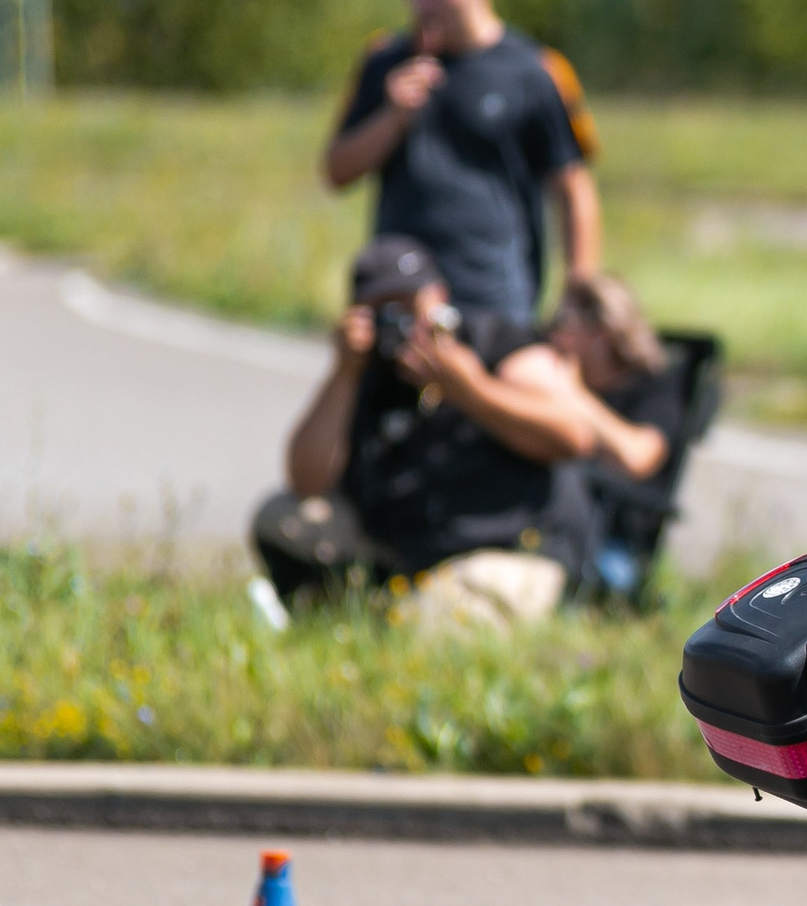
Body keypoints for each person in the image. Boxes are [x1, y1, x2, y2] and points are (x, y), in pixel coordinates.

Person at [255, 236, 607, 628]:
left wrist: (471, 390)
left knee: (428, 624)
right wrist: (343, 374)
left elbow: (574, 436)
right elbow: (306, 480)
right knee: (281, 517)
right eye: (383, 310)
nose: (402, 324)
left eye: (409, 306)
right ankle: (333, 621)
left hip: (507, 551)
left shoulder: (495, 345)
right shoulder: (365, 372)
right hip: (406, 550)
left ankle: (384, 624)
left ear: (439, 297)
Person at [325, 0, 602, 325]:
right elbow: (337, 171)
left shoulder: (534, 70)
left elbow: (574, 187)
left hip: (493, 295)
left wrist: (579, 294)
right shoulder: (385, 61)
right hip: (398, 291)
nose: (424, 5)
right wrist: (393, 116)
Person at [542, 273, 687, 597]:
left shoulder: (653, 388)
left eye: (564, 322)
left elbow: (638, 456)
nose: (552, 333)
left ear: (600, 334)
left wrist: (572, 394)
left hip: (612, 535)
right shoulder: (562, 377)